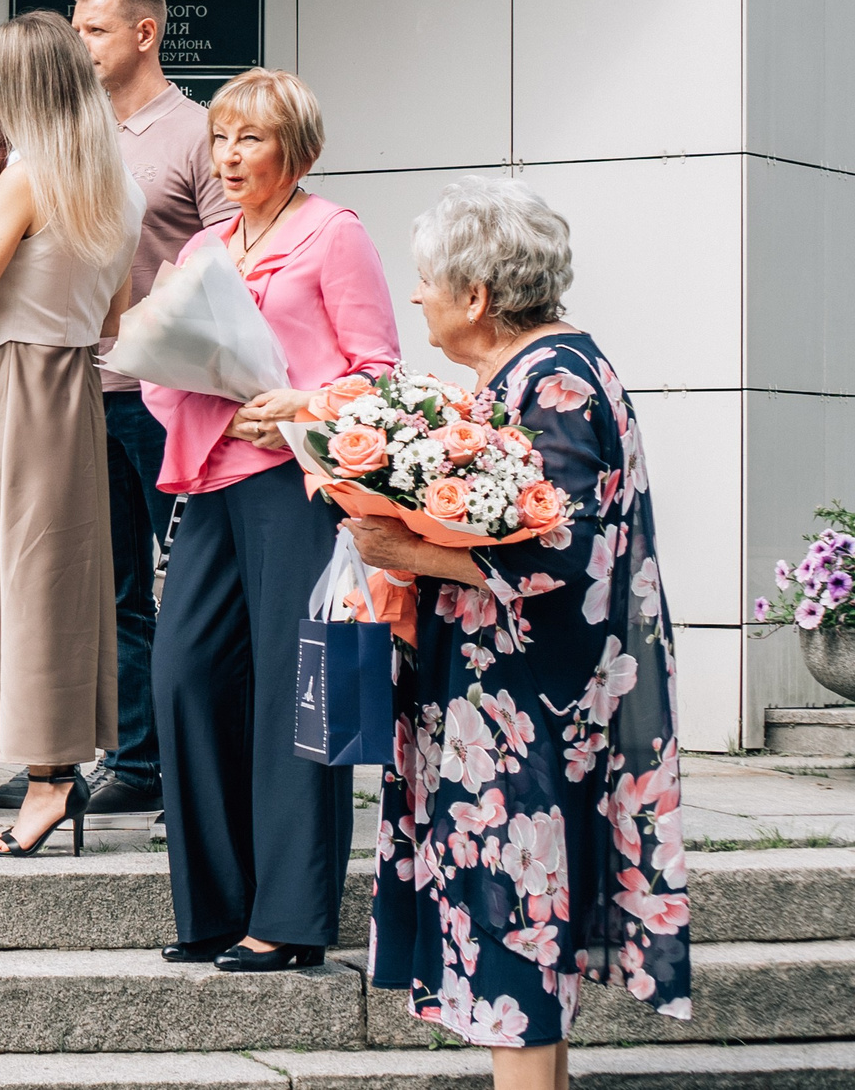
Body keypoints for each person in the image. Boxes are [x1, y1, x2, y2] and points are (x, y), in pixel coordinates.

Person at [357, 179, 689, 1081]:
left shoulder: (555, 384)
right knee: (517, 938)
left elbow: (563, 557)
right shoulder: (542, 373)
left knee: (517, 940)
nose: (415, 294)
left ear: (477, 295)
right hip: (516, 706)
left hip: (525, 721)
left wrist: (407, 549)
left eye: (427, 279)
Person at [143, 67, 400, 971]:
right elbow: (159, 368)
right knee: (183, 675)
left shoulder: (335, 234)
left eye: (250, 137)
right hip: (210, 480)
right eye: (221, 138)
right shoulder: (205, 247)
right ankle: (212, 905)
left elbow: (377, 371)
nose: (231, 154)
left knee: (302, 697)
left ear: (297, 148)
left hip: (298, 489)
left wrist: (299, 404)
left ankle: (289, 919)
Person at [0, 11, 143, 857]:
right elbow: (114, 313)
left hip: (20, 384)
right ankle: (58, 771)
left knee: (26, 586)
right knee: (65, 586)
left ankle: (50, 783)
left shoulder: (26, 176)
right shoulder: (116, 183)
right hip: (77, 381)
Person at [61, 0, 229, 820]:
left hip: (168, 395)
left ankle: (200, 763)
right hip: (85, 388)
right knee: (116, 584)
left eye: (92, 29)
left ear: (143, 33)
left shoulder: (199, 133)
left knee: (192, 580)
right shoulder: (73, 131)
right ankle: (136, 758)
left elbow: (227, 264)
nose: (79, 42)